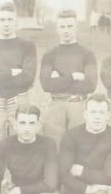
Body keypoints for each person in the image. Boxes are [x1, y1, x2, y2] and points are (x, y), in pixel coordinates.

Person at [0, 3, 37, 143]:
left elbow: (28, 78)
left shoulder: (27, 46)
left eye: (10, 19)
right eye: (2, 20)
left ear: (16, 22)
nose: (6, 24)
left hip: (19, 101)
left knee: (21, 145)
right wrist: (12, 73)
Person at [39, 9, 97, 142]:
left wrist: (58, 79)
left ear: (76, 28)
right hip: (56, 105)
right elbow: (46, 85)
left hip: (78, 104)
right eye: (62, 26)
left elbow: (90, 85)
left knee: (79, 150)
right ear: (57, 29)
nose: (66, 30)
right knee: (54, 147)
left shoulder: (87, 54)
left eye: (70, 26)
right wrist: (74, 77)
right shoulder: (49, 55)